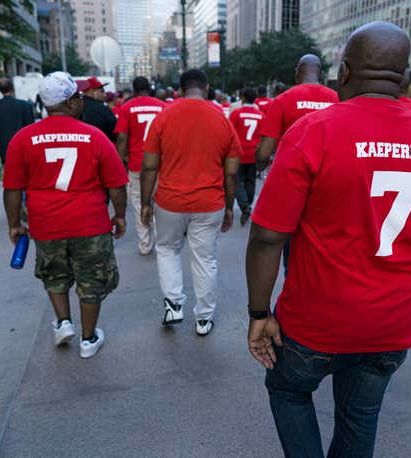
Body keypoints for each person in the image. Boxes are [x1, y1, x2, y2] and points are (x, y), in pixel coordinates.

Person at [246, 21, 411, 457]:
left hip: (314, 321)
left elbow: (269, 236)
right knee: (360, 416)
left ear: (343, 73)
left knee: (288, 391)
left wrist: (258, 313)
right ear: (403, 80)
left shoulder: (313, 131)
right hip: (391, 323)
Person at [2, 72, 128, 359]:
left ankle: (63, 322)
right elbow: (116, 184)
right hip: (90, 224)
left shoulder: (23, 139)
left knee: (54, 276)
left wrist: (14, 224)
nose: (81, 102)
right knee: (92, 281)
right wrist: (119, 216)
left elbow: (12, 189)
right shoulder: (94, 137)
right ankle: (88, 339)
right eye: (79, 98)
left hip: (46, 224)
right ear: (70, 102)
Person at [141, 69, 240, 336]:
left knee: (167, 250)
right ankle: (204, 318)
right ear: (207, 88)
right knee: (205, 259)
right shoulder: (222, 120)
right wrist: (230, 207)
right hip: (210, 203)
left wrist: (146, 202)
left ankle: (173, 304)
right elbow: (231, 173)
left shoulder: (163, 117)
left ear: (180, 89)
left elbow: (149, 166)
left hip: (170, 201)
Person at [255, 54, 339, 276]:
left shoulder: (283, 100)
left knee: (290, 252)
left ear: (296, 72)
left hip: (293, 187)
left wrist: (260, 167)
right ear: (320, 73)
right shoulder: (339, 99)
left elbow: (264, 151)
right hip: (334, 187)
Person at [115, 76, 168, 255]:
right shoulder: (163, 106)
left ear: (134, 89)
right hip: (160, 163)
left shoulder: (127, 107)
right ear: (149, 88)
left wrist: (121, 158)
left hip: (137, 164)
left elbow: (122, 137)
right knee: (160, 202)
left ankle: (146, 245)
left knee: (139, 203)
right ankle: (163, 242)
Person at [229, 87, 263, 225]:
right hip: (254, 153)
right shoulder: (261, 115)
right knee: (250, 180)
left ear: (242, 97)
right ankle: (248, 203)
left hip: (239, 153)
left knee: (236, 181)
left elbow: (230, 133)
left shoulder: (236, 114)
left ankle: (245, 206)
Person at [0, 76, 35, 164]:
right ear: (12, 88)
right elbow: (32, 130)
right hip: (25, 150)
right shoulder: (26, 106)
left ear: (0, 90)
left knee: (9, 176)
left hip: (5, 150)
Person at [79, 77, 117, 142]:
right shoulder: (103, 109)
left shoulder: (75, 107)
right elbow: (115, 133)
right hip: (101, 147)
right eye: (102, 91)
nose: (105, 95)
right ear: (91, 91)